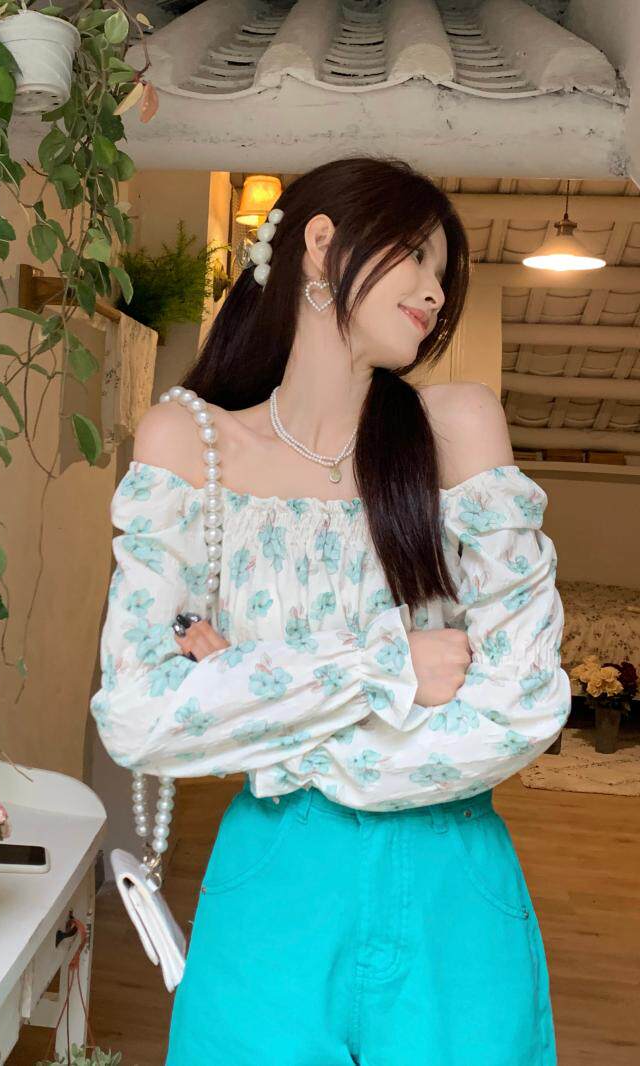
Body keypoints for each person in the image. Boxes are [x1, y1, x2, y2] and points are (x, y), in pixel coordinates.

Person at [90, 155, 570, 1065]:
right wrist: (389, 665)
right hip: (276, 885)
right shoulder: (191, 446)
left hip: (451, 884)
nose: (435, 292)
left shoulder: (457, 427)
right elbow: (139, 717)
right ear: (320, 244)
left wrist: (254, 696)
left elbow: (522, 705)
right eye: (417, 257)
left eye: (443, 274)